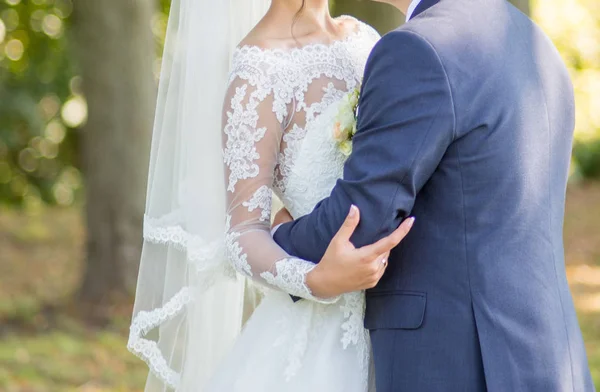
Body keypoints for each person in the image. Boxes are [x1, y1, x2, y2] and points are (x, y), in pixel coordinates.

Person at [273, 0, 595, 390]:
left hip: (459, 361)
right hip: (550, 358)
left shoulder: (417, 50)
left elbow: (357, 223)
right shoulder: (531, 38)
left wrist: (276, 237)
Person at [129, 0, 411, 390]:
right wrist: (316, 279)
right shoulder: (258, 70)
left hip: (406, 304)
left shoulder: (363, 38)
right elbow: (243, 233)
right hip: (323, 337)